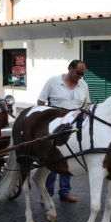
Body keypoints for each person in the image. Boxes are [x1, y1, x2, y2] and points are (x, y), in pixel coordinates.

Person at [37, 59, 90, 203]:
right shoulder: (53, 81)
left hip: (73, 127)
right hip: (54, 126)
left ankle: (65, 191)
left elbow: (88, 104)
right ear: (70, 68)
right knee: (53, 159)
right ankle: (46, 194)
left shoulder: (83, 85)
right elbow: (40, 102)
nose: (80, 76)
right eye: (79, 73)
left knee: (69, 158)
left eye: (83, 74)